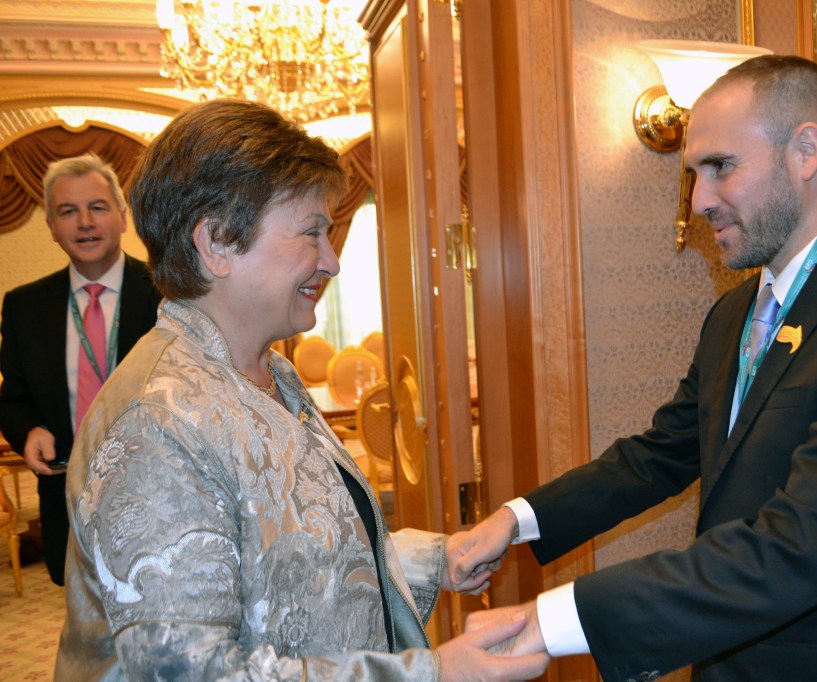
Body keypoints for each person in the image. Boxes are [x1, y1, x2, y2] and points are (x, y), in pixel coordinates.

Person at [449, 55, 817, 682]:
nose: (698, 201)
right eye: (693, 175)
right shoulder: (733, 314)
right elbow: (659, 455)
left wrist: (554, 620)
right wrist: (515, 520)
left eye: (721, 166)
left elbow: (800, 544)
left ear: (806, 152)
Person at [54, 98, 547, 682]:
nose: (331, 262)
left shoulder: (269, 373)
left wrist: (436, 559)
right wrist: (431, 673)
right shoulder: (156, 423)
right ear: (216, 243)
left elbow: (290, 560)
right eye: (312, 232)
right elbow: (193, 673)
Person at [0, 153, 161, 586]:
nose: (85, 222)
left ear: (123, 217)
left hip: (158, 496)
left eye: (98, 207)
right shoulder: (24, 307)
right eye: (68, 211)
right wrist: (29, 430)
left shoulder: (167, 296)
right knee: (82, 616)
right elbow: (13, 400)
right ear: (51, 226)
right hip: (68, 499)